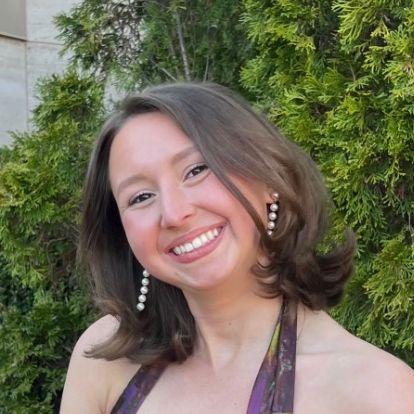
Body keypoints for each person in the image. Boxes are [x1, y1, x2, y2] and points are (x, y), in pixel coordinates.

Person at [60, 82, 414, 414]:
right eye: (140, 197)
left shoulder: (375, 393)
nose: (174, 213)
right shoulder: (106, 361)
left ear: (268, 178)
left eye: (197, 170)